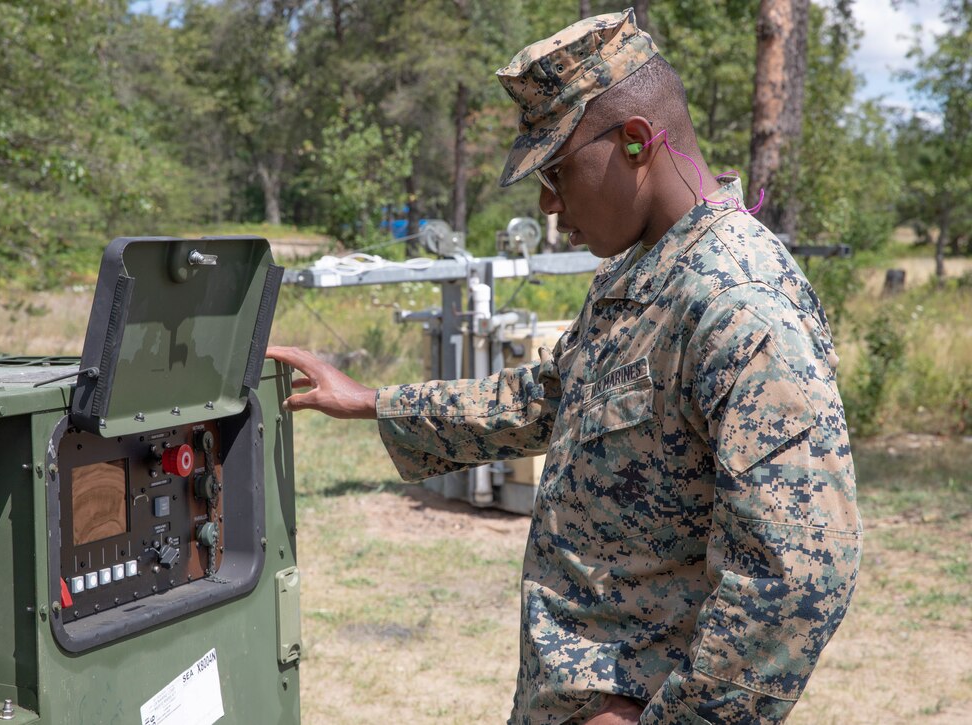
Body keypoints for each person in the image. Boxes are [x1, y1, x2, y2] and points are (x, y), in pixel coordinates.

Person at [268, 9, 862, 725]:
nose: (549, 205)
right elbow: (548, 398)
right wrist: (372, 401)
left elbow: (798, 575)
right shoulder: (643, 273)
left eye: (556, 172)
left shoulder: (738, 301)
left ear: (638, 141)